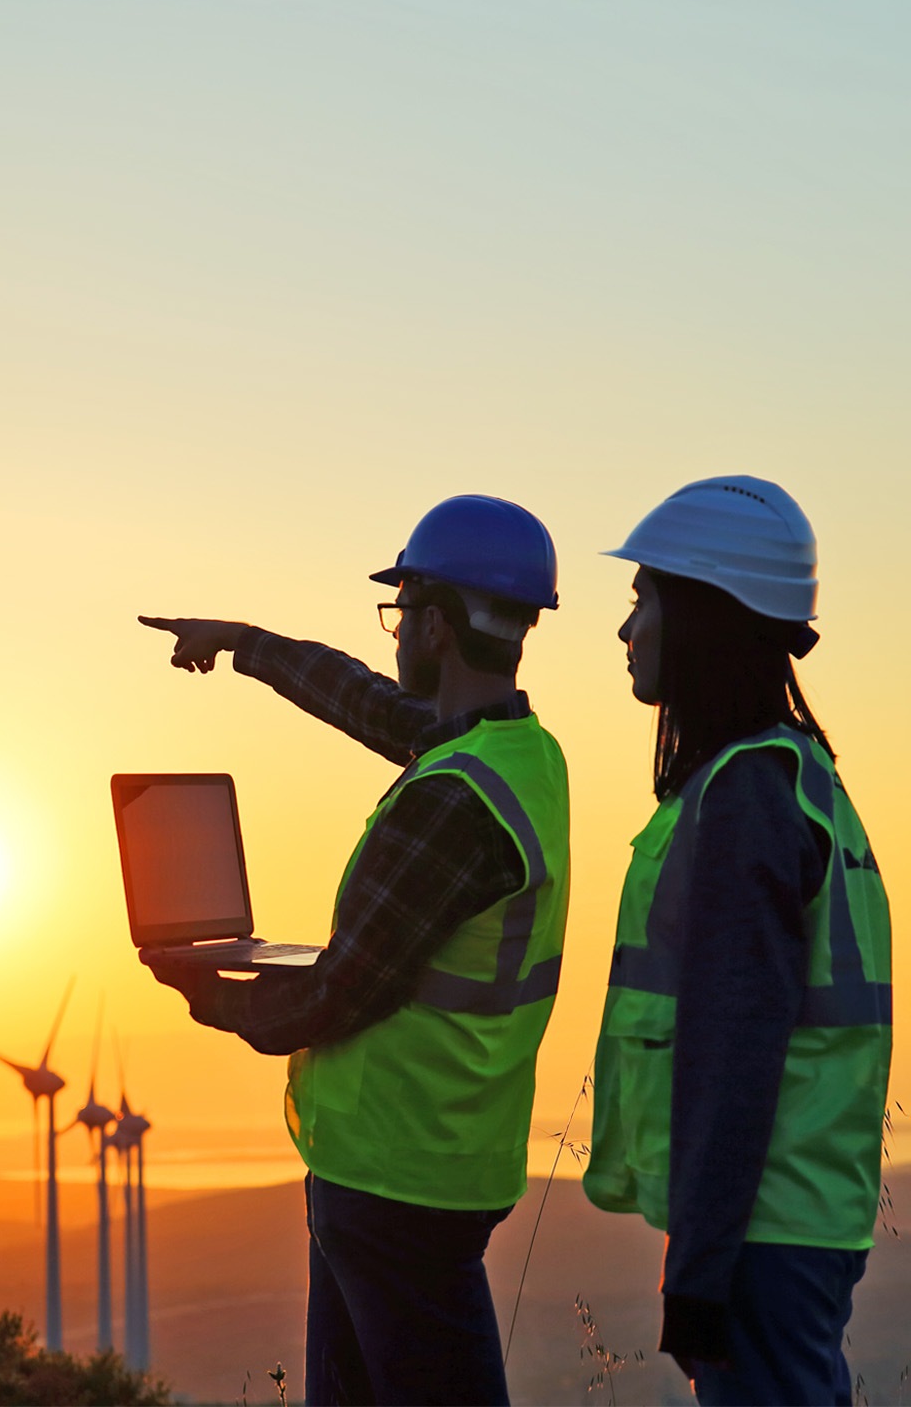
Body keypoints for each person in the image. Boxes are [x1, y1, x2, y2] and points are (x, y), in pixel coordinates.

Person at [139, 494, 570, 1407]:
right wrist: (245, 643)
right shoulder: (518, 756)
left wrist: (208, 990)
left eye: (402, 610)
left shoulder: (451, 804)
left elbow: (335, 993)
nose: (394, 634)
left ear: (440, 627)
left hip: (394, 1180)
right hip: (433, 1164)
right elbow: (365, 702)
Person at [583, 475, 892, 1407]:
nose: (627, 629)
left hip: (764, 1230)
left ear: (707, 613)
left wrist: (702, 1270)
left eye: (644, 599)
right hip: (797, 1219)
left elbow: (735, 1047)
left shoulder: (747, 797)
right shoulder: (799, 777)